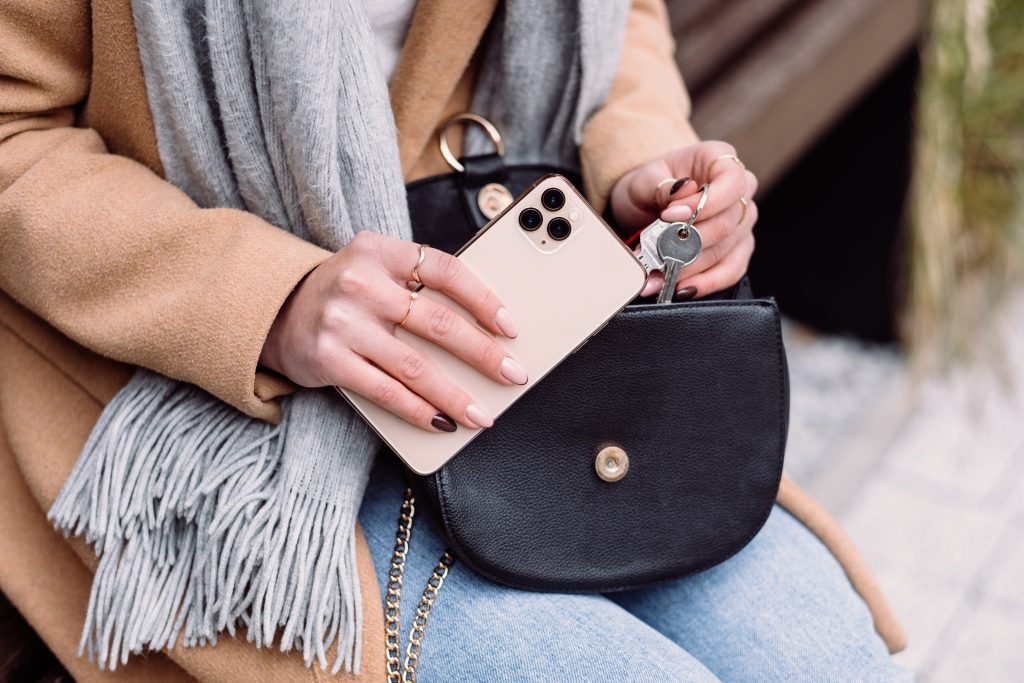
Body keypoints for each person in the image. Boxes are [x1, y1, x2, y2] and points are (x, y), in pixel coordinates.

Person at [0, 0, 910, 680]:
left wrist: (641, 158)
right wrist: (271, 298)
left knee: (827, 656)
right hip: (217, 394)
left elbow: (620, 17)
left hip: (519, 325)